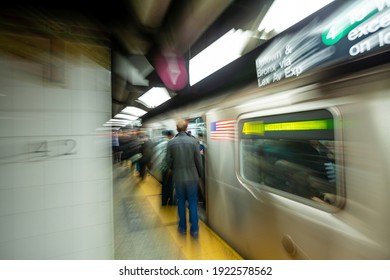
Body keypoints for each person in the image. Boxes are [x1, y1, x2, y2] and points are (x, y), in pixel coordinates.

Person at [166, 119, 203, 238]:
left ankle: (182, 228)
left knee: (181, 202)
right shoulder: (193, 142)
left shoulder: (171, 143)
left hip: (178, 178)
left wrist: (174, 168)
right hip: (192, 177)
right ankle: (195, 229)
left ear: (177, 129)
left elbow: (168, 162)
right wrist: (200, 175)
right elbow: (198, 161)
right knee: (193, 202)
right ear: (186, 128)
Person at [159, 130, 175, 205]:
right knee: (170, 185)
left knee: (164, 185)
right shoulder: (171, 143)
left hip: (162, 167)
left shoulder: (163, 143)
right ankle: (171, 201)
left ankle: (164, 201)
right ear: (170, 136)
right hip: (168, 168)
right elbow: (170, 157)